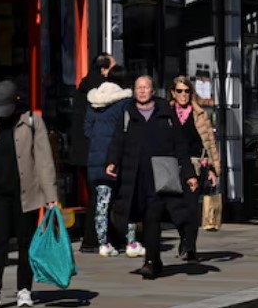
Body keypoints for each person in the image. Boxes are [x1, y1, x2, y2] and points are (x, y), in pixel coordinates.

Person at [0, 81, 58, 308]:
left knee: (26, 242)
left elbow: (45, 161)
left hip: (26, 193)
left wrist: (51, 197)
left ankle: (24, 289)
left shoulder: (32, 121)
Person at [105, 76, 198, 279]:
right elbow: (117, 140)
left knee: (153, 216)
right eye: (138, 87)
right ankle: (153, 260)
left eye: (146, 87)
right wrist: (112, 161)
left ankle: (150, 260)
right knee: (143, 218)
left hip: (161, 174)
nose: (142, 91)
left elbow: (180, 144)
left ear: (153, 90)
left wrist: (189, 173)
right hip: (136, 175)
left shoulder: (166, 113)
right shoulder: (127, 113)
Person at [169, 75, 221, 261]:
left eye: (187, 91)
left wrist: (214, 169)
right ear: (173, 93)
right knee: (175, 208)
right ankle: (184, 236)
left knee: (191, 208)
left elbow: (210, 143)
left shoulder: (199, 114)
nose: (183, 95)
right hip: (171, 167)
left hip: (196, 166)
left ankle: (189, 246)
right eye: (179, 91)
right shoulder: (166, 113)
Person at [84, 75, 133, 256]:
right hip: (117, 160)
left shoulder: (92, 107)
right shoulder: (123, 105)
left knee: (101, 205)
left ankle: (103, 243)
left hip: (96, 162)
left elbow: (87, 131)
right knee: (126, 202)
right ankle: (130, 241)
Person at [70, 53, 115, 252]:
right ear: (104, 70)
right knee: (100, 197)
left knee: (94, 197)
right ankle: (93, 239)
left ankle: (93, 239)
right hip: (96, 151)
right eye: (112, 68)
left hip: (81, 153)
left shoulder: (82, 88)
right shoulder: (102, 92)